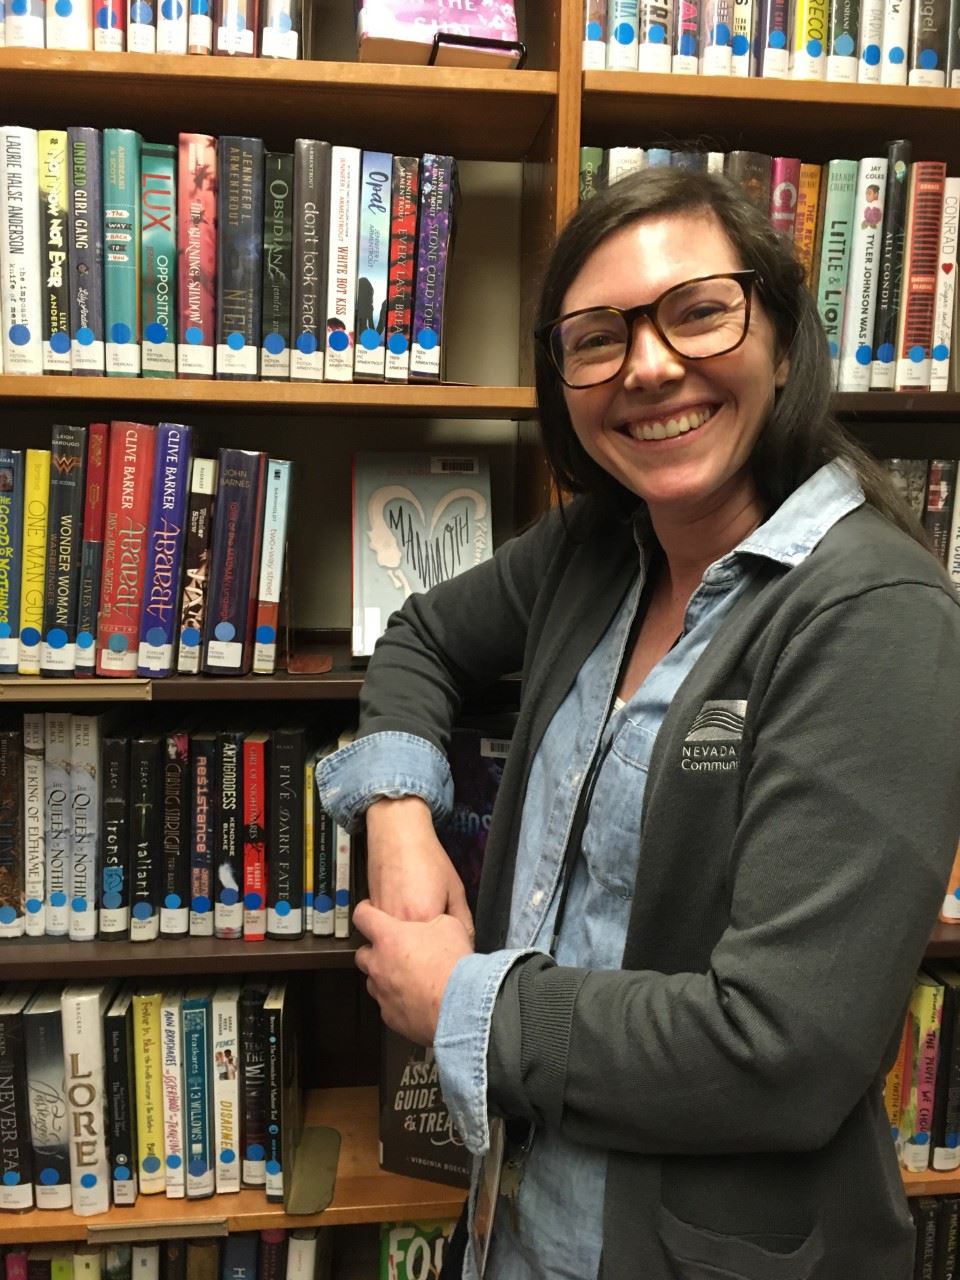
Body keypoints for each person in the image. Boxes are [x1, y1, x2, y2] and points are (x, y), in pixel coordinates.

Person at [317, 167, 960, 1280]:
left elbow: (782, 1047)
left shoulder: (877, 617)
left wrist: (459, 999)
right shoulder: (596, 546)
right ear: (560, 377)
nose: (651, 364)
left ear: (780, 329)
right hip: (516, 1219)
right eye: (597, 337)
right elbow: (420, 635)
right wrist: (398, 818)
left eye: (699, 310)